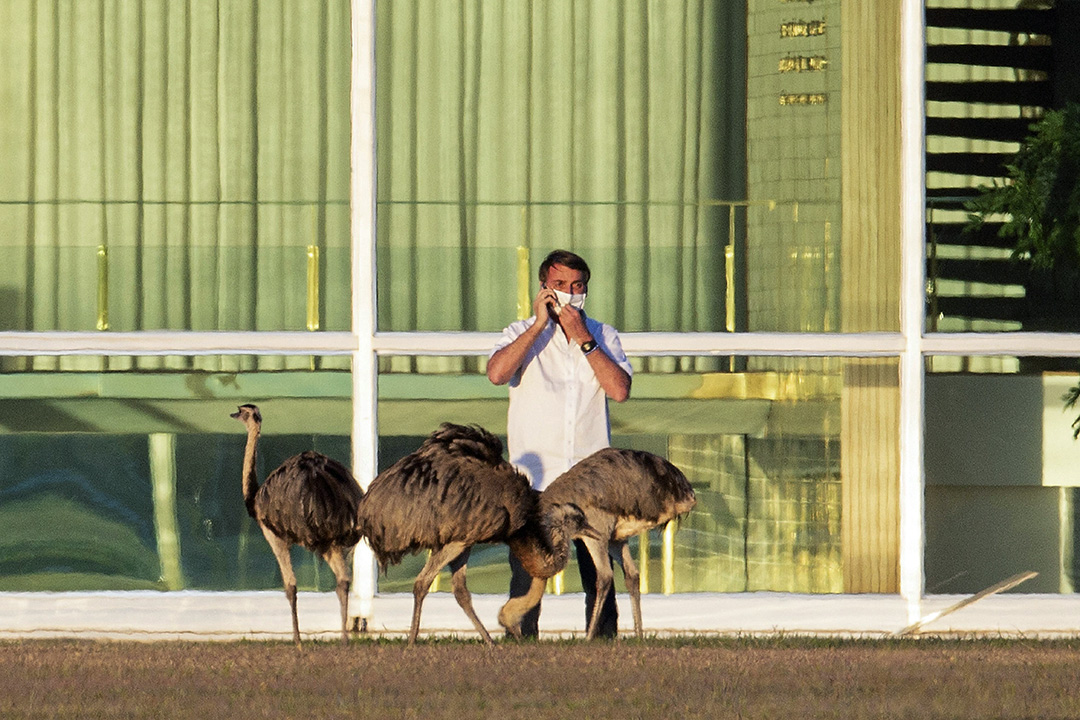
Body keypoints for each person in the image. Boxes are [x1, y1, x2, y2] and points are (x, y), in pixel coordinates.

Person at [487, 249, 632, 638]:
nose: (569, 294)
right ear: (543, 288)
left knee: (599, 574)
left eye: (577, 286)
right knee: (529, 574)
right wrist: (538, 326)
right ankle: (520, 648)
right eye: (560, 286)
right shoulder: (520, 333)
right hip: (536, 482)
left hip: (591, 482)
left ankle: (603, 648)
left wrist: (585, 340)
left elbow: (619, 390)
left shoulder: (603, 335)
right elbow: (497, 374)